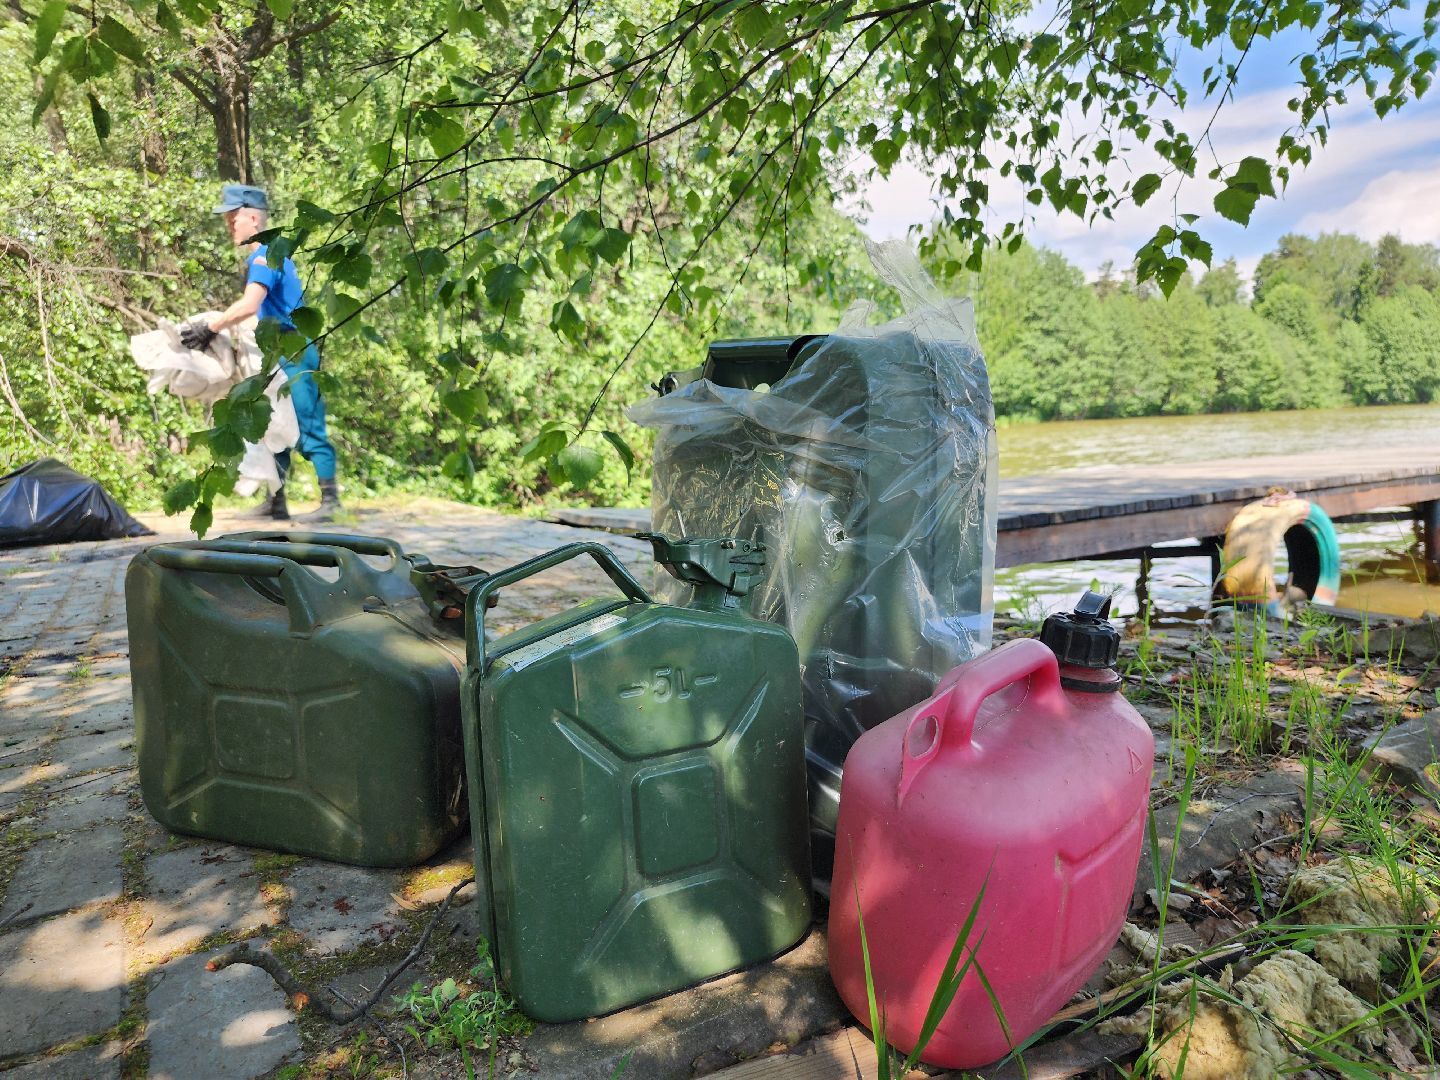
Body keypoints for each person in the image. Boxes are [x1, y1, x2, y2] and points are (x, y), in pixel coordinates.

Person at [180, 183, 341, 523]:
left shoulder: (266, 254)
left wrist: (211, 328)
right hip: (276, 349)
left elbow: (250, 304)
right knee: (272, 424)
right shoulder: (266, 254)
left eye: (233, 217)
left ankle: (331, 501)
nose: (229, 224)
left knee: (306, 420)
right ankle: (276, 502)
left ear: (253, 218)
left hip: (295, 349)